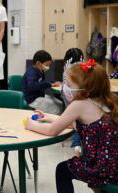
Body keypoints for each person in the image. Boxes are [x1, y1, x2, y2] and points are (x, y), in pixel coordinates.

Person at [25, 60, 118, 193]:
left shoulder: (79, 104)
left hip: (102, 169)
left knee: (62, 170)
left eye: (69, 85)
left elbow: (52, 131)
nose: (66, 88)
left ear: (84, 88)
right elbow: (71, 123)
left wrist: (31, 125)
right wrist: (48, 117)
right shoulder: (106, 99)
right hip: (114, 165)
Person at [22, 50, 62, 115]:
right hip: (31, 100)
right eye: (46, 65)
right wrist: (49, 84)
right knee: (56, 109)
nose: (48, 67)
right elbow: (32, 86)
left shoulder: (40, 70)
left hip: (39, 96)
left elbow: (43, 82)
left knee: (60, 104)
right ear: (38, 63)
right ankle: (53, 123)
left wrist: (53, 82)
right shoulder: (31, 73)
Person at [62, 48, 84, 156]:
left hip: (68, 94)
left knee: (76, 120)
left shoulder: (67, 67)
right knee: (79, 120)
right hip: (76, 95)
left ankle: (76, 147)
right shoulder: (82, 67)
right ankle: (77, 146)